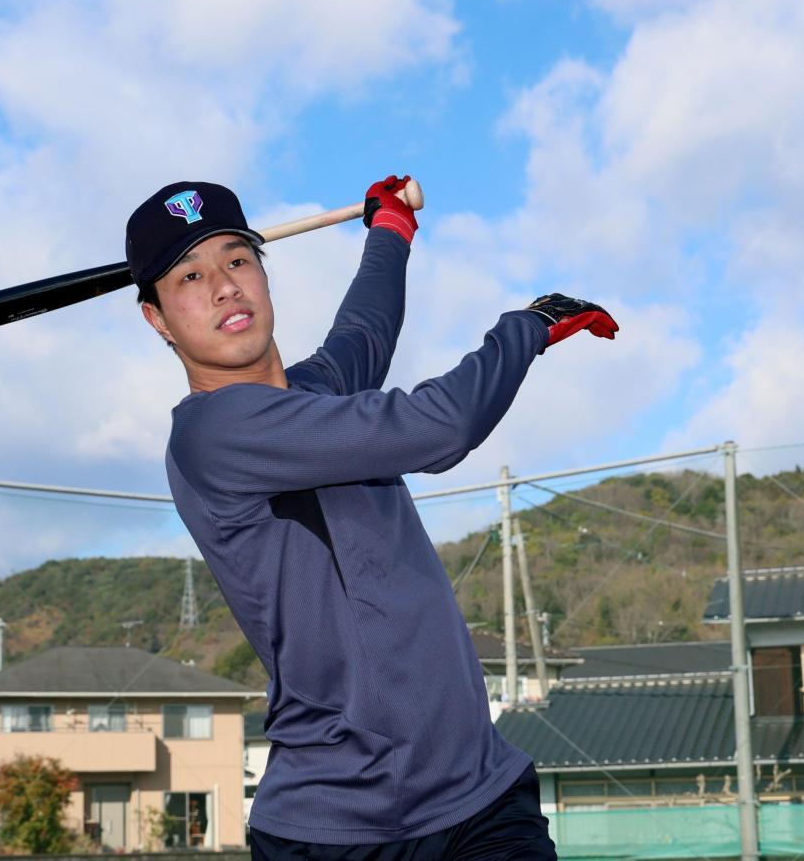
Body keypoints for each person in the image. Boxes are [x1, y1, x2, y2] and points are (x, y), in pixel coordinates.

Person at [126, 175, 618, 860]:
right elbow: (440, 425)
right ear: (157, 317)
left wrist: (391, 230)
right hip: (338, 828)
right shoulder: (214, 435)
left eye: (237, 259)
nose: (224, 286)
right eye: (189, 276)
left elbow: (363, 331)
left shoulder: (313, 395)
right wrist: (524, 329)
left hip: (478, 797)